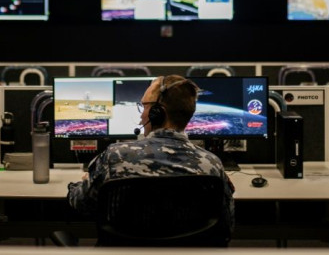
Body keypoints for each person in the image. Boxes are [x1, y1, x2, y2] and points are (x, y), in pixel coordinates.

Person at [67, 74, 235, 234]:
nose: (141, 115)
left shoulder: (114, 156)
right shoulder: (212, 164)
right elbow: (226, 225)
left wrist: (79, 185)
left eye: (145, 107)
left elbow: (82, 204)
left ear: (157, 113)